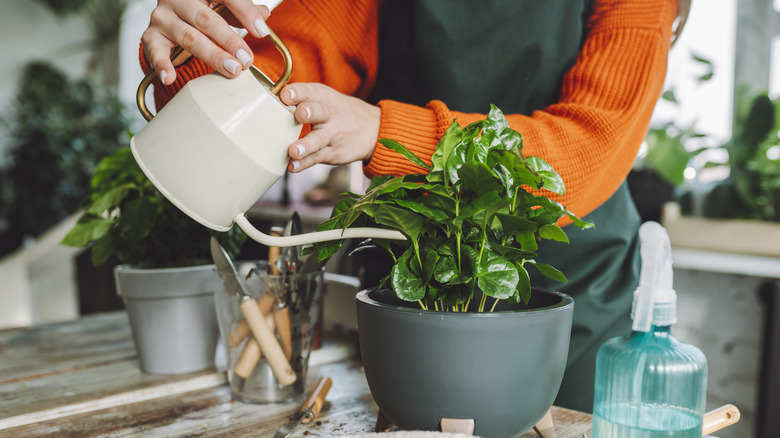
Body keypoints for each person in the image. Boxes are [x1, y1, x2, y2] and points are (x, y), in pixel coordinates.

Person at [140, 0, 689, 412]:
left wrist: (388, 132)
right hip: (410, 294)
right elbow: (267, 90)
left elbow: (588, 152)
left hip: (571, 306)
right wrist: (191, 53)